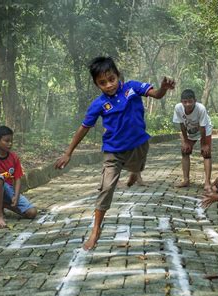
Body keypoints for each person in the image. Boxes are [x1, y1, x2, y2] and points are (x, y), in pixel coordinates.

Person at [54, 56, 175, 250]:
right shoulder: (98, 104)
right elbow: (83, 128)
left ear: (118, 76)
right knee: (106, 188)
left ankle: (135, 172)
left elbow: (157, 94)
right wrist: (68, 152)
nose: (109, 85)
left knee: (137, 167)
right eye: (102, 83)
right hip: (113, 152)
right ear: (96, 84)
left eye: (111, 79)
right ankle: (95, 230)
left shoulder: (132, 88)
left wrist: (163, 88)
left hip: (139, 145)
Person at [0, 126, 38, 228]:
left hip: (8, 190)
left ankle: (3, 204)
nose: (10, 144)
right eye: (7, 141)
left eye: (11, 141)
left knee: (32, 212)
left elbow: (17, 178)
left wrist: (16, 196)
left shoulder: (14, 157)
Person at [172, 89, 213, 191]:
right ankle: (186, 180)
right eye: (185, 102)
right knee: (185, 151)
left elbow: (203, 127)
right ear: (181, 102)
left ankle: (207, 182)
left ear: (195, 100)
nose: (188, 104)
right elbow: (182, 125)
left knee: (206, 153)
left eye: (190, 101)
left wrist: (204, 144)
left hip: (205, 129)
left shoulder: (201, 109)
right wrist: (185, 142)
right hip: (190, 130)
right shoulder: (178, 108)